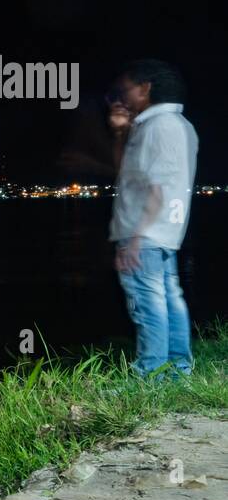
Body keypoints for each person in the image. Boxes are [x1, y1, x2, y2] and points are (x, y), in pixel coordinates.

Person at [108, 59, 199, 377]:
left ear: (145, 88)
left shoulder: (158, 127)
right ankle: (178, 368)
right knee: (170, 297)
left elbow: (156, 187)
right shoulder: (179, 125)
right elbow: (128, 175)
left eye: (126, 90)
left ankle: (150, 373)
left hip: (144, 230)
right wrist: (121, 133)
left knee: (147, 302)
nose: (122, 98)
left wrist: (134, 238)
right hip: (166, 230)